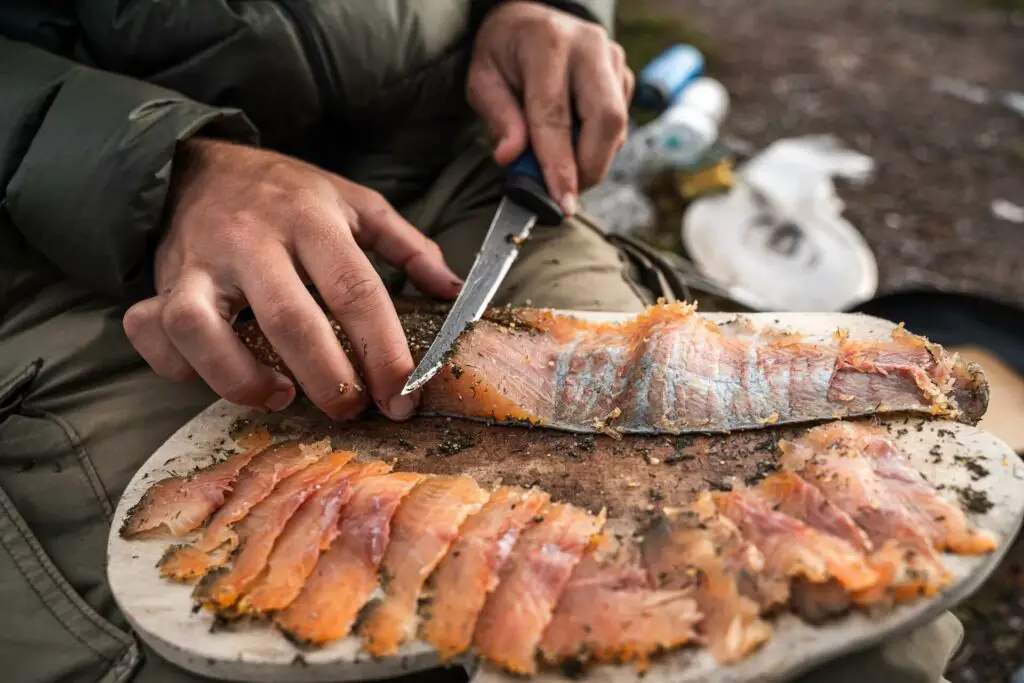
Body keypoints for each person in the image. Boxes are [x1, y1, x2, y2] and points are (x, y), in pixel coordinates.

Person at [0, 2, 961, 682]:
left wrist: (547, 7)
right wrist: (158, 168)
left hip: (465, 170)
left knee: (856, 646)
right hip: (68, 256)